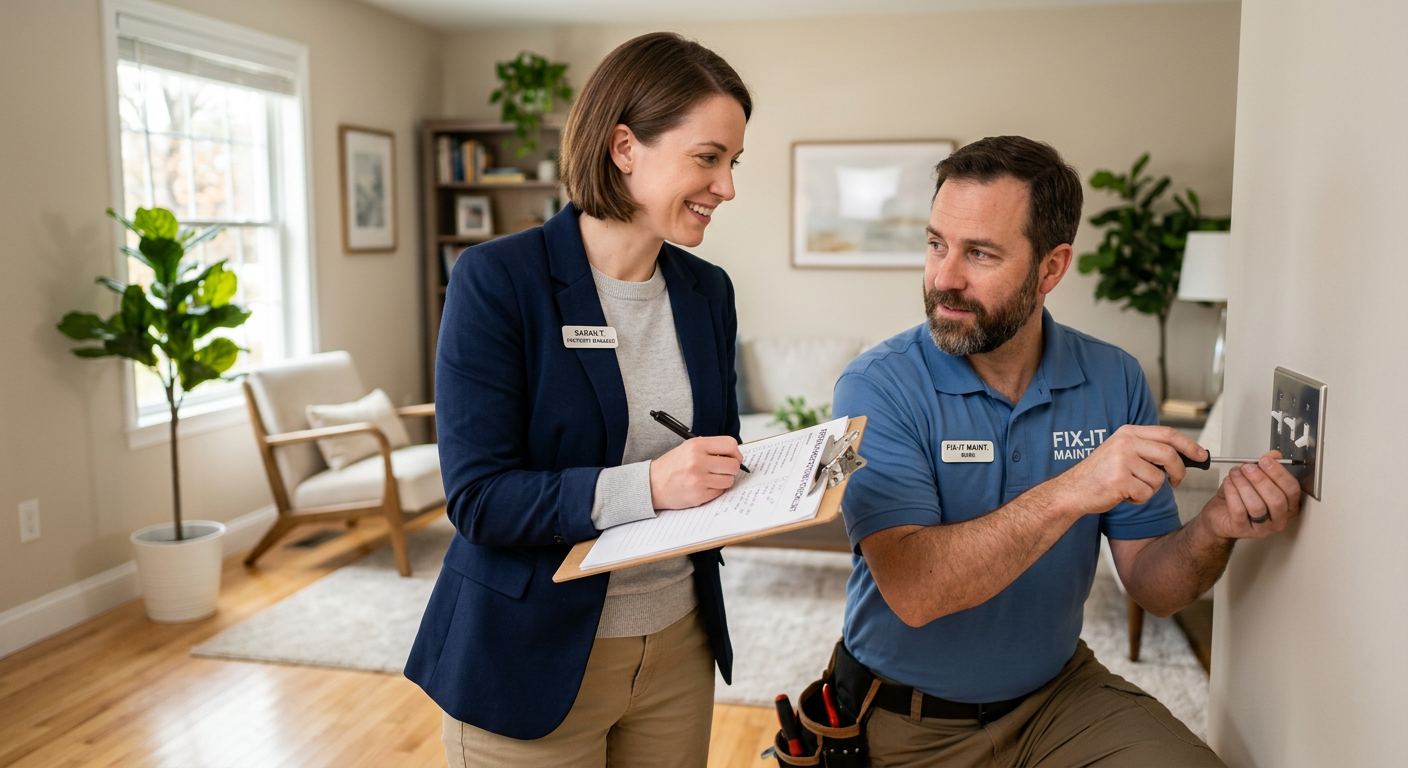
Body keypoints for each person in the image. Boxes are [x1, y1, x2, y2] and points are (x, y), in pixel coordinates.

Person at [830, 136, 1301, 767]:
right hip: (910, 718)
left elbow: (1155, 590)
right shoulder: (876, 385)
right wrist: (1078, 486)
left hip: (1057, 698)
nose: (944, 277)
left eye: (980, 253)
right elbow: (916, 593)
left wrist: (1215, 526)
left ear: (1051, 268)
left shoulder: (1114, 378)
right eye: (936, 243)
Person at [404, 32, 752, 767]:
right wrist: (650, 485)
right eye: (708, 158)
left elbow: (708, 453)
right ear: (625, 146)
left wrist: (770, 482)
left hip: (678, 650)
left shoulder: (706, 293)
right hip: (528, 657)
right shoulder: (497, 281)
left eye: (732, 162)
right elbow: (480, 500)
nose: (726, 187)